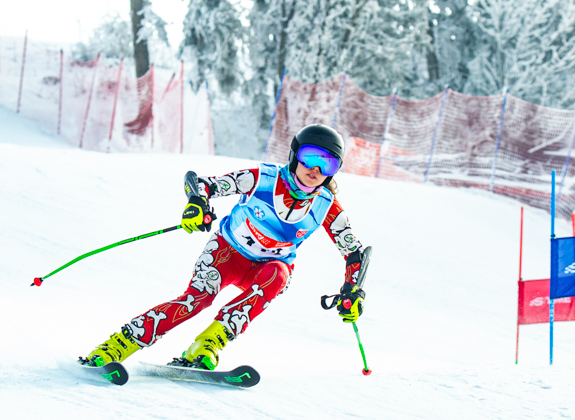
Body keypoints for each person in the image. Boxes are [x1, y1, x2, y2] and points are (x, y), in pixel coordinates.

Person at [80, 124, 366, 370]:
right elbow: (203, 184)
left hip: (266, 270)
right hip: (226, 254)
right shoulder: (262, 179)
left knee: (279, 275)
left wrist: (353, 290)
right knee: (197, 299)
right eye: (310, 157)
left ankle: (206, 346)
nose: (315, 169)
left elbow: (353, 252)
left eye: (328, 164)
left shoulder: (326, 206)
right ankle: (116, 346)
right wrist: (197, 204)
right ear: (294, 155)